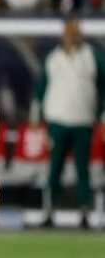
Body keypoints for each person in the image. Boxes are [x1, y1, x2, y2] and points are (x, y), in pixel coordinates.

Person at [34, 18, 105, 229]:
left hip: (83, 121)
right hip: (57, 121)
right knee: (54, 169)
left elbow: (103, 87)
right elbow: (41, 87)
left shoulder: (92, 57)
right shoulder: (53, 59)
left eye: (75, 32)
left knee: (83, 170)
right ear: (62, 35)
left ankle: (84, 212)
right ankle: (49, 212)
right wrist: (35, 113)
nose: (72, 36)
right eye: (68, 32)